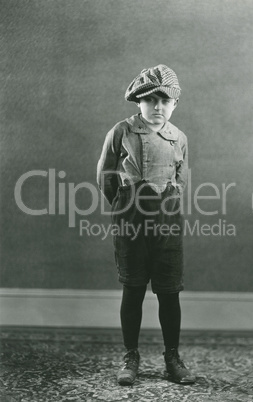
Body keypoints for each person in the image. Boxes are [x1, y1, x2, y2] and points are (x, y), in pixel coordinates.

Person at [97, 64, 195, 386]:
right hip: (131, 219)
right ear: (137, 101)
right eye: (150, 100)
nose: (158, 107)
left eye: (165, 101)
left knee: (169, 293)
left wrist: (167, 202)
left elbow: (181, 178)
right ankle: (131, 355)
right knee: (134, 288)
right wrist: (126, 203)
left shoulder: (178, 137)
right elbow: (106, 175)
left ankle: (172, 356)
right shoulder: (121, 132)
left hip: (167, 221)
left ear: (174, 104)